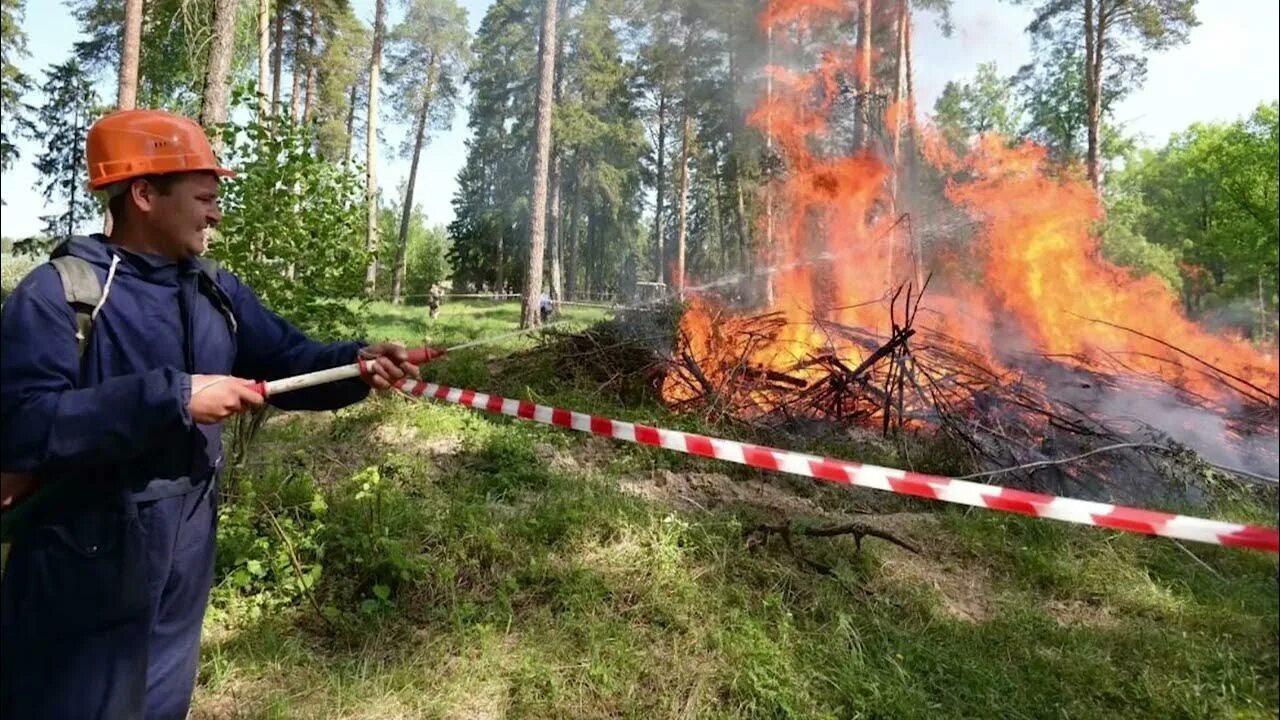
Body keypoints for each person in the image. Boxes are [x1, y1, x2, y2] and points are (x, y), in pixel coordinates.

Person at [0, 109, 420, 720]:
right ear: (144, 193)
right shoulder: (59, 293)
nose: (216, 213)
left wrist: (357, 364)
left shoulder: (214, 291)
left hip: (187, 548)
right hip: (78, 563)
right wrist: (172, 397)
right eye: (204, 197)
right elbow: (22, 425)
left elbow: (288, 362)